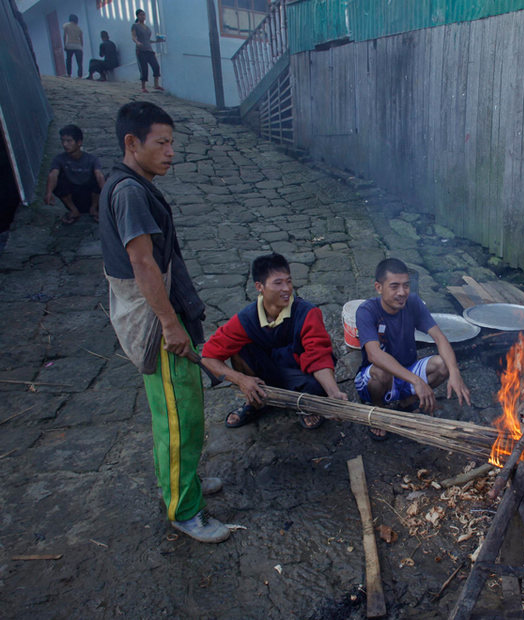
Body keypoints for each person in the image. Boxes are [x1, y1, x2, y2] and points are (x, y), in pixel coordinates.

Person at [99, 101, 229, 543]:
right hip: (159, 328)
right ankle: (184, 510)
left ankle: (181, 483)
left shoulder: (133, 185)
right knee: (179, 420)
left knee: (178, 414)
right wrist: (171, 325)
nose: (171, 151)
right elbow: (143, 263)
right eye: (162, 142)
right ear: (131, 143)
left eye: (173, 142)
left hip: (166, 320)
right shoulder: (130, 192)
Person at [201, 253, 348, 429]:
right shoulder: (247, 319)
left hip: (296, 370)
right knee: (239, 349)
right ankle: (255, 402)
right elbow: (208, 357)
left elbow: (318, 356)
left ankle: (308, 407)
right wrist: (241, 379)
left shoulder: (307, 313)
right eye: (278, 283)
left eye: (289, 281)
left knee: (317, 386)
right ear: (259, 287)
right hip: (264, 371)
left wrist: (333, 393)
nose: (286, 288)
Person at [355, 258, 471, 439]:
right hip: (376, 377)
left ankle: (407, 402)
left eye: (406, 286)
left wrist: (455, 373)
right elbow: (373, 354)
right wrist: (417, 381)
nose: (402, 293)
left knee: (443, 364)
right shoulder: (367, 311)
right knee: (381, 371)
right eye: (394, 286)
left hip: (408, 369)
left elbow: (439, 337)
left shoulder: (414, 302)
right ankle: (378, 410)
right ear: (379, 287)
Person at [44, 125, 105, 224]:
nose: (65, 144)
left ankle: (94, 209)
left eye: (69, 141)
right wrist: (48, 192)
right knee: (59, 181)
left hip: (90, 194)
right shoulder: (59, 159)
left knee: (99, 179)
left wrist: (106, 193)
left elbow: (99, 175)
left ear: (79, 142)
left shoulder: (91, 159)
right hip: (73, 195)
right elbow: (53, 174)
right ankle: (73, 210)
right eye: (63, 141)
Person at [131, 9, 162, 93]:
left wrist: (157, 41)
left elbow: (148, 40)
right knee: (144, 68)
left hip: (149, 50)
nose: (143, 16)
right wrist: (137, 42)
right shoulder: (135, 26)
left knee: (156, 66)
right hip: (141, 50)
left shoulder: (147, 28)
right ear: (137, 16)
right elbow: (133, 36)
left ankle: (156, 84)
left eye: (144, 15)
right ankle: (143, 87)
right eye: (141, 15)